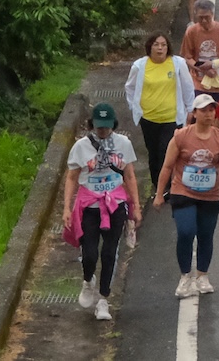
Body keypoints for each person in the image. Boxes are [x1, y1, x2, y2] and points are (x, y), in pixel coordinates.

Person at [63, 103, 141, 321]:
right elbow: (71, 178)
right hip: (89, 204)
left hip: (115, 203)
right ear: (92, 125)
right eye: (99, 127)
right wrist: (66, 208)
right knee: (89, 253)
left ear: (113, 125)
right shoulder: (81, 147)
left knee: (109, 252)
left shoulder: (123, 144)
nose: (103, 131)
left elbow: (130, 176)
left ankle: (104, 300)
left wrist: (136, 206)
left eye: (107, 127)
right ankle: (88, 280)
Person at [154, 94, 219, 297]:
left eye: (211, 110)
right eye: (204, 110)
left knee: (206, 235)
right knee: (186, 231)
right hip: (183, 191)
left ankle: (202, 276)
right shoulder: (181, 136)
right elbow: (167, 166)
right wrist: (159, 194)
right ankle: (184, 277)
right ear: (195, 113)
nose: (209, 114)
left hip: (210, 195)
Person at [126, 33, 197, 187]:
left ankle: (168, 186)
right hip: (148, 118)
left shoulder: (178, 63)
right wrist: (134, 107)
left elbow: (188, 87)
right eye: (156, 44)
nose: (160, 48)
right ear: (150, 47)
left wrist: (191, 109)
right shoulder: (140, 65)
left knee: (166, 152)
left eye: (163, 45)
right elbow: (130, 88)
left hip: (171, 118)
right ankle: (156, 185)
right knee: (153, 153)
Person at [180, 0, 219, 98]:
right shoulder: (191, 32)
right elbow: (187, 57)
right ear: (195, 15)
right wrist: (203, 70)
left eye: (207, 17)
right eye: (200, 18)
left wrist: (215, 63)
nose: (204, 21)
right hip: (198, 83)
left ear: (212, 14)